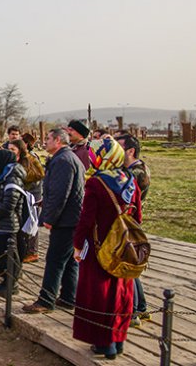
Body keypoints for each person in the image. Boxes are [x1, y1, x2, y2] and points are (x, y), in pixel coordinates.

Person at [72, 138, 142, 360]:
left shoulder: (96, 183)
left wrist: (77, 244)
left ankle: (105, 343)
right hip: (125, 245)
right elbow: (138, 216)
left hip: (99, 246)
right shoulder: (130, 179)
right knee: (122, 291)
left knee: (99, 293)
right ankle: (119, 339)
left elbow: (87, 219)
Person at [23, 128, 86, 314]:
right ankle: (68, 296)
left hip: (66, 220)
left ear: (58, 140)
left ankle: (46, 300)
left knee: (55, 260)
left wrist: (50, 218)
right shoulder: (67, 158)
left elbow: (61, 193)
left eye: (48, 138)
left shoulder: (63, 161)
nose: (45, 141)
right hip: (71, 218)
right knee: (68, 261)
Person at [116, 134, 151, 328]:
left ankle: (134, 310)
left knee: (128, 266)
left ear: (130, 151)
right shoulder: (130, 170)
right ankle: (142, 306)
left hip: (128, 223)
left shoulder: (137, 172)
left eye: (119, 147)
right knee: (131, 265)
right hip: (128, 222)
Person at [0, 149, 27, 296]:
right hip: (2, 223)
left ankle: (11, 284)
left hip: (10, 223)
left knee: (10, 255)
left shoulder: (13, 178)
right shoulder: (5, 175)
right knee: (3, 255)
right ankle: (5, 281)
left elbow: (9, 205)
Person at [8, 139, 43, 263]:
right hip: (21, 195)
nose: (10, 151)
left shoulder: (29, 160)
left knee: (31, 223)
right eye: (9, 149)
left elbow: (38, 176)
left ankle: (32, 251)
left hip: (32, 196)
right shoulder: (14, 160)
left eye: (13, 149)